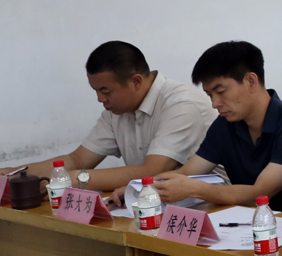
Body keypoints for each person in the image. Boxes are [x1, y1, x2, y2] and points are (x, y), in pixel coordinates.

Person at [149, 41, 282, 217]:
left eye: (221, 92)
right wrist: (147, 187)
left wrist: (195, 189)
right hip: (246, 223)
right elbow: (187, 173)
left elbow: (259, 194)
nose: (214, 103)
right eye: (209, 95)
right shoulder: (224, 125)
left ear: (251, 81)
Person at [20, 40, 213, 194]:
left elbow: (153, 171)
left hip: (209, 206)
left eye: (106, 91)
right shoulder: (116, 111)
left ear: (136, 81)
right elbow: (77, 160)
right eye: (96, 91)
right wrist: (18, 174)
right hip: (149, 200)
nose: (100, 99)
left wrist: (75, 179)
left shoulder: (181, 104)